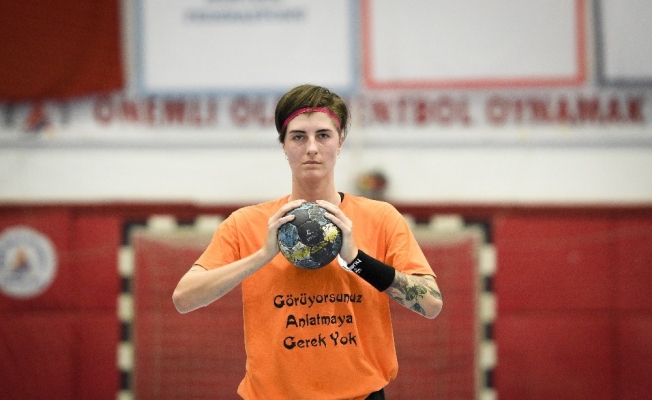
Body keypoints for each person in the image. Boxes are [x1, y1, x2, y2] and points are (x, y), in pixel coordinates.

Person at [172, 84, 443, 400]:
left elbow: (431, 304)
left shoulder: (381, 217)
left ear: (340, 143)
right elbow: (184, 298)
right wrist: (263, 255)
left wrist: (358, 260)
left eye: (323, 135)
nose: (312, 148)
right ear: (284, 146)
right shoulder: (245, 223)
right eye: (298, 137)